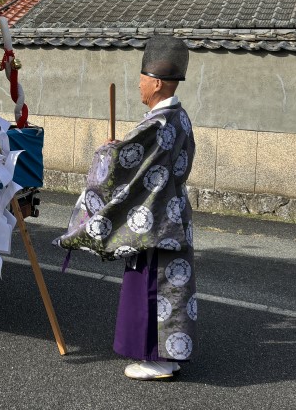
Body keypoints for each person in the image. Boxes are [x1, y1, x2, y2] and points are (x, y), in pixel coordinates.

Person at [54, 35, 196, 381]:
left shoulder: (157, 123)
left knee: (151, 286)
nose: (139, 85)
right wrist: (121, 150)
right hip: (172, 214)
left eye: (143, 79)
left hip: (152, 222)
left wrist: (108, 154)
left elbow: (125, 165)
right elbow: (149, 163)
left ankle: (154, 359)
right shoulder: (179, 117)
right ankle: (169, 354)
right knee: (170, 287)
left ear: (157, 83)